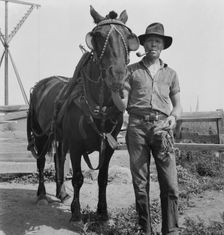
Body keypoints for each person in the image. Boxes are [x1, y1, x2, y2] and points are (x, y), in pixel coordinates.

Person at [111, 22, 182, 235]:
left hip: (162, 128)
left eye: (157, 41)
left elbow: (177, 105)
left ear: (162, 46)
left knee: (170, 184)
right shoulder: (131, 71)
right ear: (144, 44)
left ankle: (170, 230)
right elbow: (122, 105)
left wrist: (173, 118)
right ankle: (145, 230)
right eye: (150, 40)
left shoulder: (171, 74)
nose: (153, 44)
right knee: (141, 185)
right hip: (137, 128)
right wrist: (114, 90)